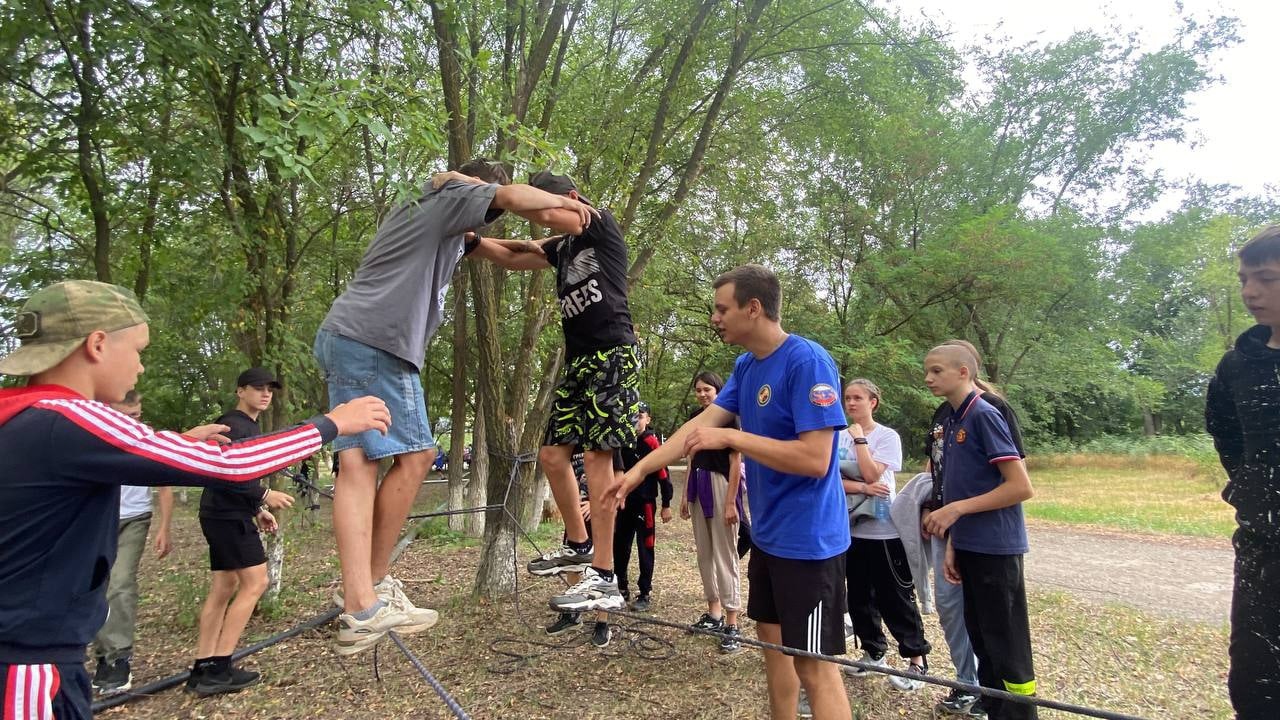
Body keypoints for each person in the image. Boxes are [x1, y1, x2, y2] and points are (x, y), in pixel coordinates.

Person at [0, 280, 389, 720]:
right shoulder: (70, 417)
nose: (141, 368)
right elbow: (231, 465)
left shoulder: (23, 417)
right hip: (25, 664)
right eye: (138, 350)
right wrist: (331, 424)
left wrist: (181, 443)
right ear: (97, 344)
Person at [316, 159, 597, 654]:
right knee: (371, 463)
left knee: (387, 458)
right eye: (484, 203)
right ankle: (363, 601)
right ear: (475, 188)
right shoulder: (444, 198)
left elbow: (509, 250)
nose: (485, 218)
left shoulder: (440, 217)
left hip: (366, 340)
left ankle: (368, 591)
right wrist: (565, 203)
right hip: (373, 342)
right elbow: (509, 197)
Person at [612, 264, 851, 720]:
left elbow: (816, 459)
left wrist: (735, 438)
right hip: (769, 538)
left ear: (753, 308)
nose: (715, 318)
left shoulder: (808, 361)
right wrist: (637, 470)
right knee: (774, 652)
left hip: (810, 543)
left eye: (722, 309)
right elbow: (699, 428)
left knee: (814, 666)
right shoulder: (746, 365)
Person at [466, 170, 639, 614]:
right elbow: (512, 255)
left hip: (612, 353)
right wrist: (469, 240)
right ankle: (578, 545)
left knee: (599, 459)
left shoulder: (597, 222)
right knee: (552, 456)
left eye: (555, 207)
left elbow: (541, 210)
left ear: (573, 199)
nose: (545, 223)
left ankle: (604, 575)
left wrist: (493, 195)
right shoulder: (560, 247)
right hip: (579, 361)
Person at [922, 344, 1037, 720]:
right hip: (969, 548)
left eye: (937, 371)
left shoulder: (985, 414)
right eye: (928, 371)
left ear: (963, 373)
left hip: (996, 551)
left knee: (1007, 650)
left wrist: (955, 510)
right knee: (984, 646)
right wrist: (955, 542)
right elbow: (965, 486)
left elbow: (1020, 486)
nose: (928, 378)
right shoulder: (952, 420)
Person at [1205, 224, 1280, 720]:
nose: (1250, 291)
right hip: (1262, 551)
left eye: (1267, 278)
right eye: (1244, 279)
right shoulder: (1237, 366)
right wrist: (1255, 493)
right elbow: (1229, 439)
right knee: (1256, 685)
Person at [186, 367, 296, 696]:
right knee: (256, 582)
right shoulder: (235, 425)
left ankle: (203, 668)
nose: (265, 394)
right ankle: (219, 668)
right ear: (240, 391)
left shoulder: (245, 425)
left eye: (270, 390)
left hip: (223, 513)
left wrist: (256, 510)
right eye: (258, 388)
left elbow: (233, 478)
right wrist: (264, 496)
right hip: (226, 517)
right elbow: (227, 473)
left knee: (224, 586)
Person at [836, 379, 931, 690]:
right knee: (859, 595)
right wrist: (863, 487)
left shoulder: (887, 436)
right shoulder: (838, 437)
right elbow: (832, 480)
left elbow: (874, 473)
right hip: (851, 528)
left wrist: (861, 441)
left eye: (858, 398)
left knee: (895, 596)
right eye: (848, 398)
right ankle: (873, 652)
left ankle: (916, 660)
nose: (851, 403)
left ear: (872, 402)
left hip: (884, 529)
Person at [88, 391, 174, 697]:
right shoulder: (94, 435)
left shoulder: (146, 438)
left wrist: (164, 527)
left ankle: (120, 657)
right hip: (99, 520)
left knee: (120, 583)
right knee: (96, 587)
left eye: (136, 415)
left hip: (135, 519)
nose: (133, 422)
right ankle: (103, 658)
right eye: (126, 416)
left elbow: (164, 485)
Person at [683, 371, 745, 654]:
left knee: (724, 552)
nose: (702, 394)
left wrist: (731, 501)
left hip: (720, 486)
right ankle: (714, 613)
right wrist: (685, 494)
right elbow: (691, 458)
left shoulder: (729, 419)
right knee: (705, 553)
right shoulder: (695, 419)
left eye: (707, 389)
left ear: (718, 391)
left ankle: (732, 622)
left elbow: (735, 463)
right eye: (698, 390)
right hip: (698, 485)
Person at [613, 402, 672, 612]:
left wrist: (666, 504)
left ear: (648, 419)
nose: (635, 420)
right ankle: (621, 587)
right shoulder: (621, 441)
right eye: (632, 416)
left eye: (640, 416)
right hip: (623, 502)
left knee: (645, 546)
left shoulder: (651, 442)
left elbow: (663, 474)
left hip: (645, 502)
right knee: (620, 544)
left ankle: (644, 592)